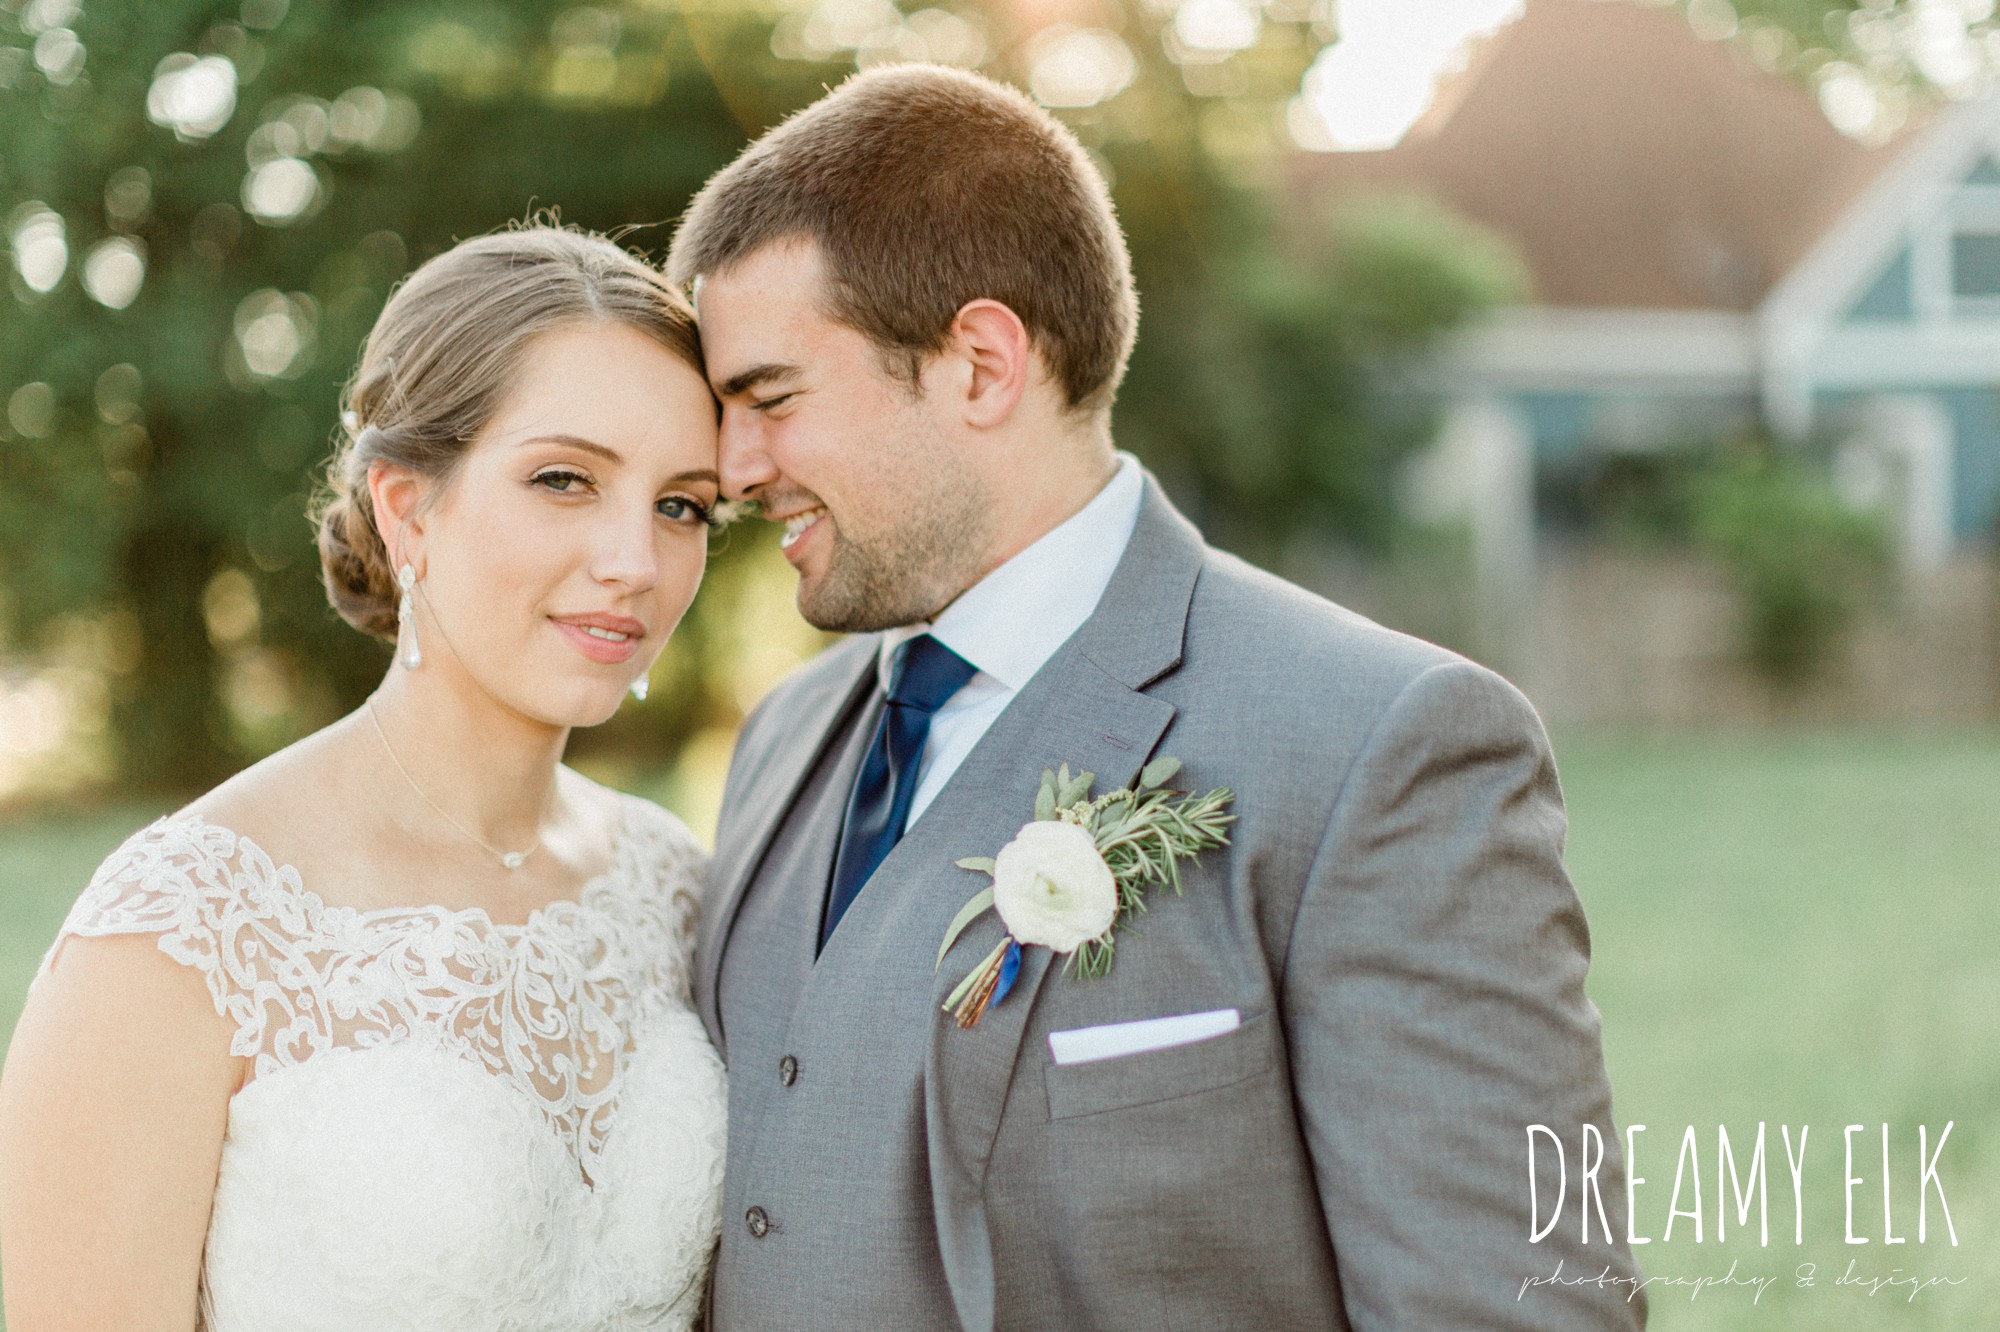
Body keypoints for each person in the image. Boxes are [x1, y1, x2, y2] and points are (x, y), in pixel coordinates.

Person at [672, 65, 1646, 1330]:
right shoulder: (783, 742)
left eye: (771, 398)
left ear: (979, 364)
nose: (734, 467)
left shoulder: (1380, 749)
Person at [0, 226, 728, 1330]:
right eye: (563, 480)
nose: (635, 560)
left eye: (682, 504)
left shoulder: (676, 882)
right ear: (405, 508)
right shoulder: (184, 928)